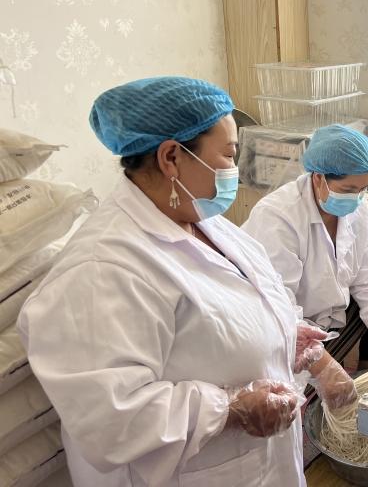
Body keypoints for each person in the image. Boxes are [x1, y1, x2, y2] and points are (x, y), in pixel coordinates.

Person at [18, 77, 351, 486]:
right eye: (228, 155)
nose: (234, 170)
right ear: (172, 157)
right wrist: (231, 409)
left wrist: (280, 332)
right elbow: (108, 420)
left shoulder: (202, 221)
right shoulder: (101, 270)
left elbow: (226, 310)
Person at [242, 124, 368, 388]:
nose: (357, 198)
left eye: (364, 188)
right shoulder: (278, 218)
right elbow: (278, 311)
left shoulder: (358, 208)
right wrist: (327, 372)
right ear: (318, 178)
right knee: (299, 393)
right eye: (348, 190)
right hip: (284, 329)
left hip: (328, 317)